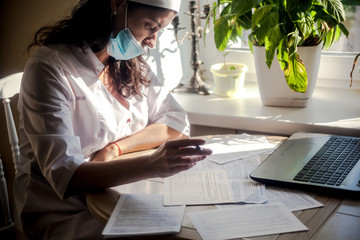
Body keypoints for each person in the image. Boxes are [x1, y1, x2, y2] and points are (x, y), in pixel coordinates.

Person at [13, 0, 212, 239]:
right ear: (118, 4)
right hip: (64, 212)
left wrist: (115, 148)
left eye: (160, 30)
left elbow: (176, 124)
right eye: (150, 26)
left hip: (118, 197)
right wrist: (153, 164)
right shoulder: (50, 69)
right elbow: (66, 176)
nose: (152, 41)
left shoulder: (131, 63)